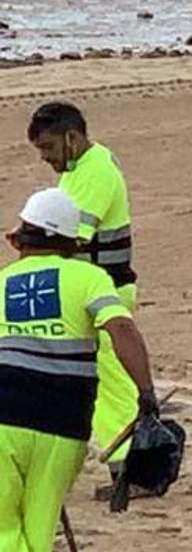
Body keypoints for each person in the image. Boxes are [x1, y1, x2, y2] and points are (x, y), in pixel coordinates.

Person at [0, 188, 158, 552]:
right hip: (64, 424)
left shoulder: (4, 281)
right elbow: (121, 329)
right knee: (38, 522)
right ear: (70, 242)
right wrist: (144, 394)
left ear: (22, 239)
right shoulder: (89, 279)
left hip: (5, 416)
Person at [26, 102, 140, 475]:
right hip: (91, 288)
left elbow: (67, 239)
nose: (46, 158)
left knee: (112, 384)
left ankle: (129, 467)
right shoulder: (82, 167)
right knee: (99, 381)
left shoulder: (94, 175)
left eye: (48, 148)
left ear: (71, 138)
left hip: (103, 289)